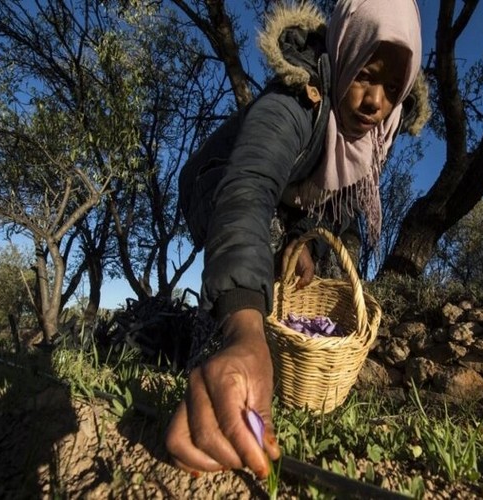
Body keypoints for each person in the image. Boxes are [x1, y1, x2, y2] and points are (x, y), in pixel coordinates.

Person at [167, 0, 429, 478]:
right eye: (365, 74)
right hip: (219, 184)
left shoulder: (372, 142)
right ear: (345, 53)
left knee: (312, 267)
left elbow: (342, 226)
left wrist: (306, 242)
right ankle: (217, 355)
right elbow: (248, 191)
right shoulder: (293, 100)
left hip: (291, 209)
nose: (375, 101)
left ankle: (282, 367)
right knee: (258, 258)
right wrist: (244, 331)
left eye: (392, 88)